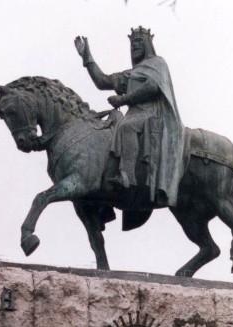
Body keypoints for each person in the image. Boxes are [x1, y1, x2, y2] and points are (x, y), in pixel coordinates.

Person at [75, 27, 184, 208]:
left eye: (139, 42)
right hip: (135, 114)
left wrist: (123, 99)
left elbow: (152, 87)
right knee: (114, 124)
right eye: (133, 43)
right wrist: (87, 57)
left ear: (148, 44)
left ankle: (127, 176)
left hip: (153, 114)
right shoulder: (132, 74)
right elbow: (102, 81)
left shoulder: (157, 64)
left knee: (127, 126)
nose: (135, 46)